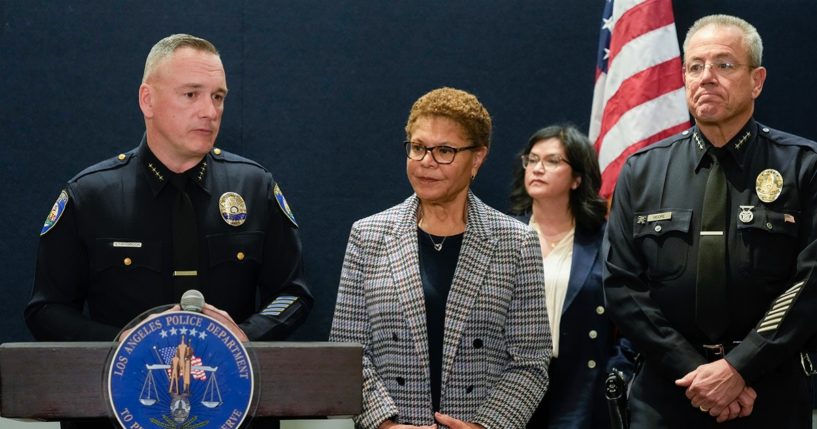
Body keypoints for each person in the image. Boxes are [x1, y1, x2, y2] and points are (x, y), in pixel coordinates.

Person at [25, 34, 313, 428]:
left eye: (218, 97)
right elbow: (46, 310)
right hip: (118, 411)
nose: (210, 112)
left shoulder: (254, 187)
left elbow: (294, 294)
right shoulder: (90, 195)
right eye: (191, 94)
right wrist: (124, 341)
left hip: (232, 408)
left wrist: (243, 337)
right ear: (148, 99)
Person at [604, 14, 817, 428]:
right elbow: (622, 285)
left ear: (756, 80)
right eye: (695, 66)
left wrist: (738, 368)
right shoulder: (642, 171)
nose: (706, 77)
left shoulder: (803, 167)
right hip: (669, 389)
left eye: (724, 65)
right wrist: (695, 372)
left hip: (768, 389)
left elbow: (811, 283)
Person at [329, 87, 550, 429]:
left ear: (477, 158)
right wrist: (384, 425)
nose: (426, 162)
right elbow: (347, 353)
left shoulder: (515, 242)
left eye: (444, 150)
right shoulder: (368, 235)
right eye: (418, 148)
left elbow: (530, 361)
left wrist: (485, 426)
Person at [510, 124, 636, 429]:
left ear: (577, 178)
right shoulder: (503, 236)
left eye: (552, 161)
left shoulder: (607, 242)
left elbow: (636, 316)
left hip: (583, 383)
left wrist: (615, 371)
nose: (538, 168)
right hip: (511, 384)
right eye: (532, 159)